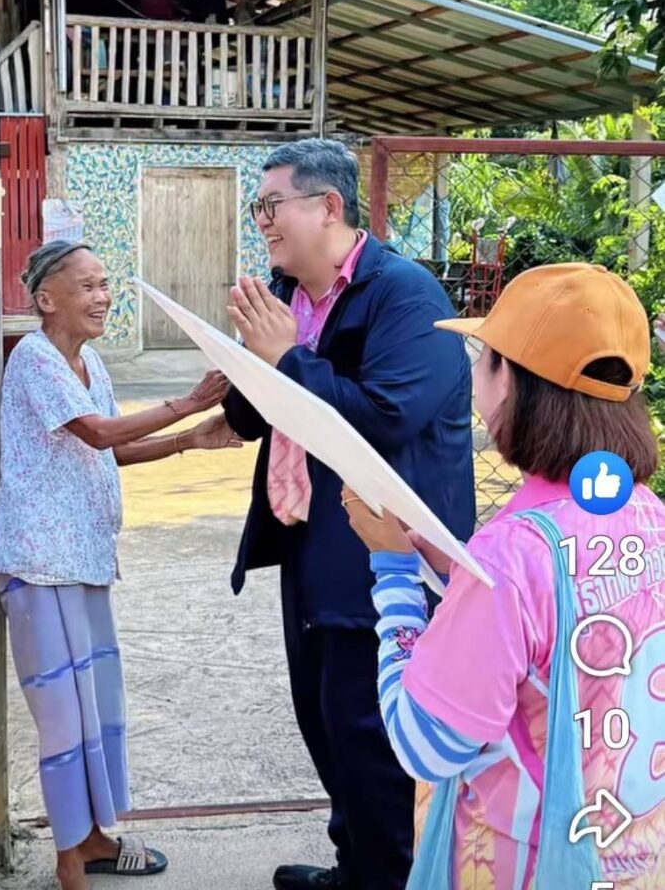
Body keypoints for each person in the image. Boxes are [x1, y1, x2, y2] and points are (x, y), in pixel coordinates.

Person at [342, 262, 665, 889]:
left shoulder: (511, 558)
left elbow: (425, 744)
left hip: (523, 868)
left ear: (511, 379)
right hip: (633, 859)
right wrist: (458, 572)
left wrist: (394, 570)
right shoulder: (647, 516)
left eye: (483, 357)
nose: (474, 376)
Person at [222, 139, 476, 890]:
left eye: (273, 205)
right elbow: (254, 415)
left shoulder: (405, 296)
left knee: (374, 736)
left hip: (384, 552)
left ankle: (393, 875)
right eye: (258, 208)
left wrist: (288, 358)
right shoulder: (287, 293)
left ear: (328, 206)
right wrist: (245, 360)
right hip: (309, 541)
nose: (263, 222)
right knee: (326, 722)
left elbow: (386, 418)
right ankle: (354, 866)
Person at [0, 240, 240, 890]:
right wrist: (189, 403)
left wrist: (189, 440)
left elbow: (108, 450)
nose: (103, 297)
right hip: (40, 563)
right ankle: (69, 857)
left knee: (95, 709)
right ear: (47, 299)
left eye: (105, 284)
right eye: (88, 286)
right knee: (62, 718)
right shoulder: (34, 360)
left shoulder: (90, 362)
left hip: (85, 557)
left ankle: (95, 838)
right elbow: (98, 433)